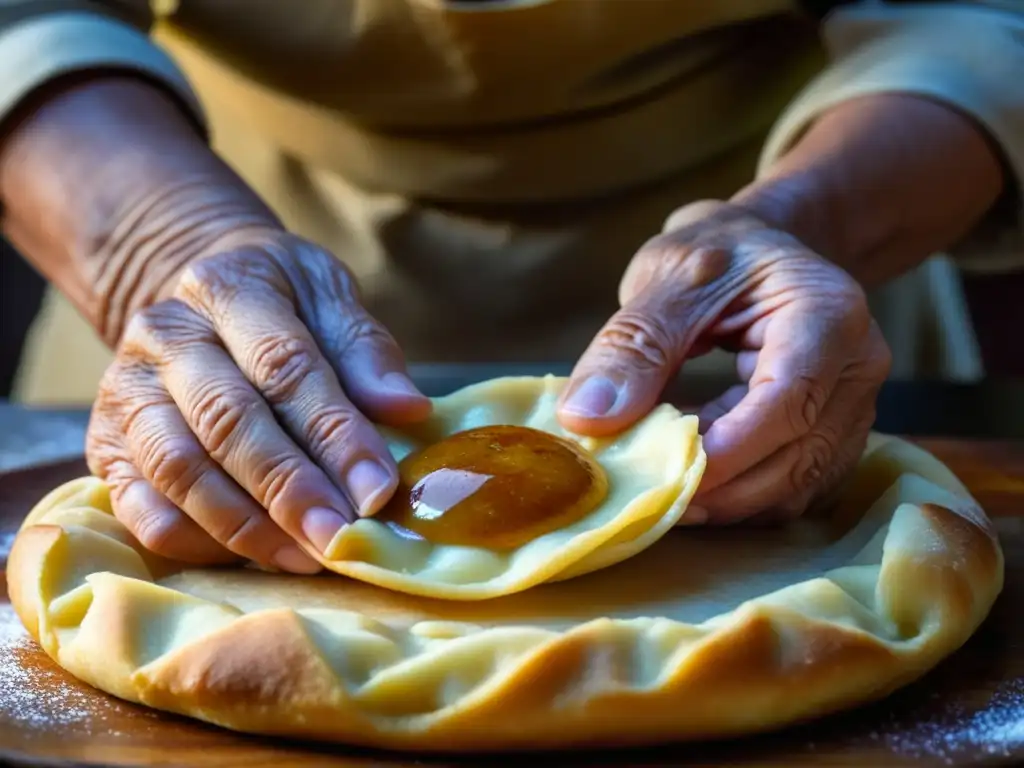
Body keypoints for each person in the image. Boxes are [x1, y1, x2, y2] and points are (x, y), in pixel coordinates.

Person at [0, 1, 1019, 575]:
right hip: (197, 283)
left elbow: (973, 17)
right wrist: (159, 241)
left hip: (781, 296)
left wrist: (806, 222)